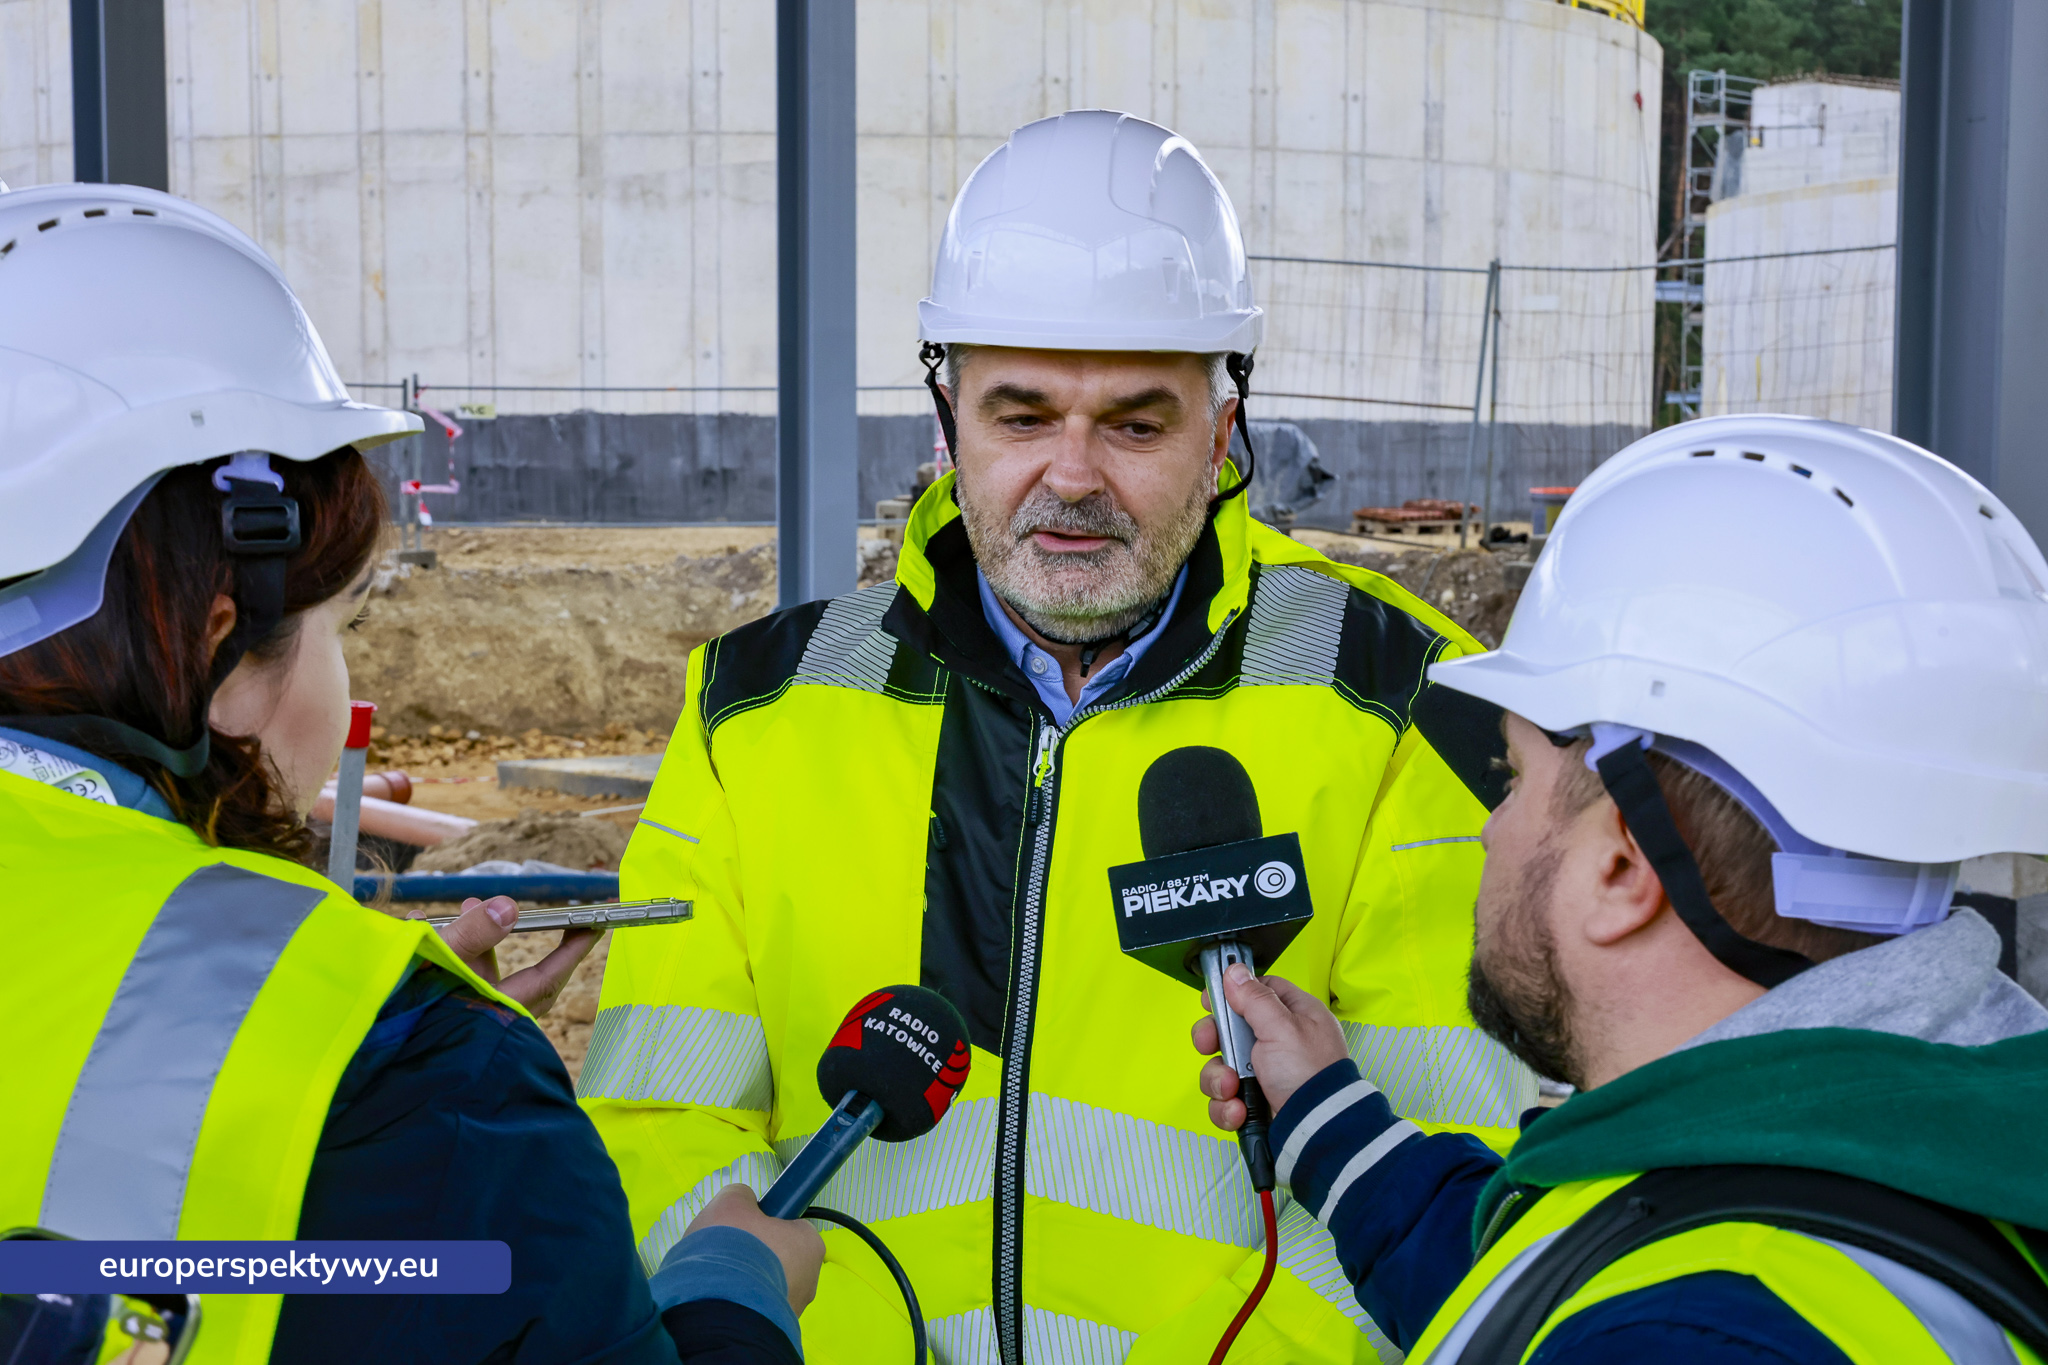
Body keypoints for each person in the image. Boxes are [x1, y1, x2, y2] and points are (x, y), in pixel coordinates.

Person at [584, 109, 1532, 1363]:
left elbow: (1447, 1156)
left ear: (1223, 420)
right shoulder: (755, 708)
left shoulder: (1407, 702)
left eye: (1135, 425)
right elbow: (661, 1113)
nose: (1072, 476)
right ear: (947, 413)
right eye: (1021, 416)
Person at [0, 182, 821, 1365]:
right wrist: (728, 1298)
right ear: (224, 638)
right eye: (342, 618)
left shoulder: (394, 1054)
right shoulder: (426, 1078)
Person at [1194, 415, 2048, 1361]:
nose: (1490, 826)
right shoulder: (1902, 1150)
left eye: (1512, 780)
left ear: (1623, 865)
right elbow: (1563, 1279)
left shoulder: (1693, 1332)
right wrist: (1324, 1114)